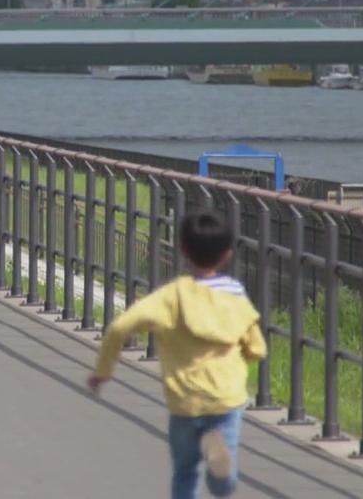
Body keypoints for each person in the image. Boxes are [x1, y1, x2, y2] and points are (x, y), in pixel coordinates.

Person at [88, 211, 267, 499]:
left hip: (184, 401)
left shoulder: (170, 296)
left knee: (184, 472)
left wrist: (103, 372)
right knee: (224, 483)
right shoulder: (235, 295)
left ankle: (209, 462)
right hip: (225, 398)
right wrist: (243, 355)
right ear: (227, 255)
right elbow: (257, 347)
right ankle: (220, 467)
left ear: (182, 250)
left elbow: (119, 328)